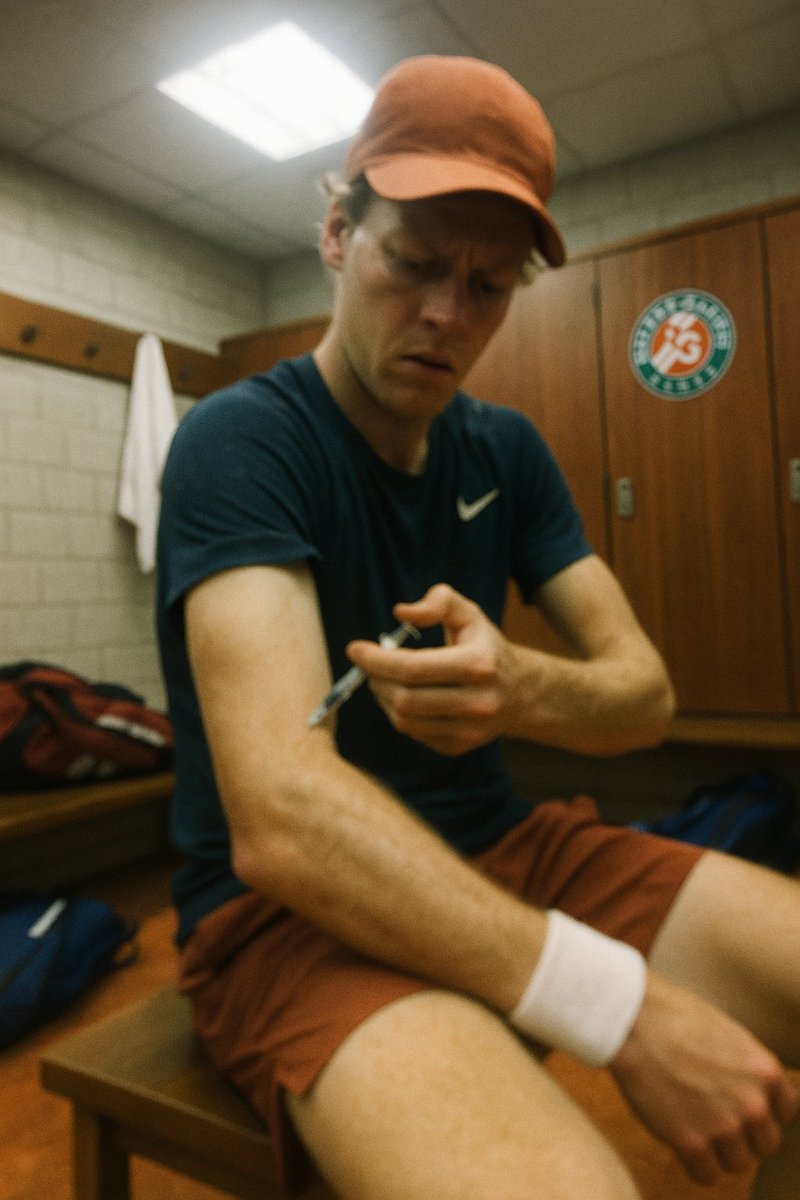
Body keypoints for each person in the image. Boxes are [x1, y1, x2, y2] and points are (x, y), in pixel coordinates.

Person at [156, 54, 800, 1200]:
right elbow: (282, 818)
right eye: (413, 263)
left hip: (502, 845)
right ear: (337, 235)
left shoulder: (504, 448)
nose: (446, 317)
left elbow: (643, 698)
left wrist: (522, 687)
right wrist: (616, 1007)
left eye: (489, 286)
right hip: (286, 916)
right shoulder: (243, 441)